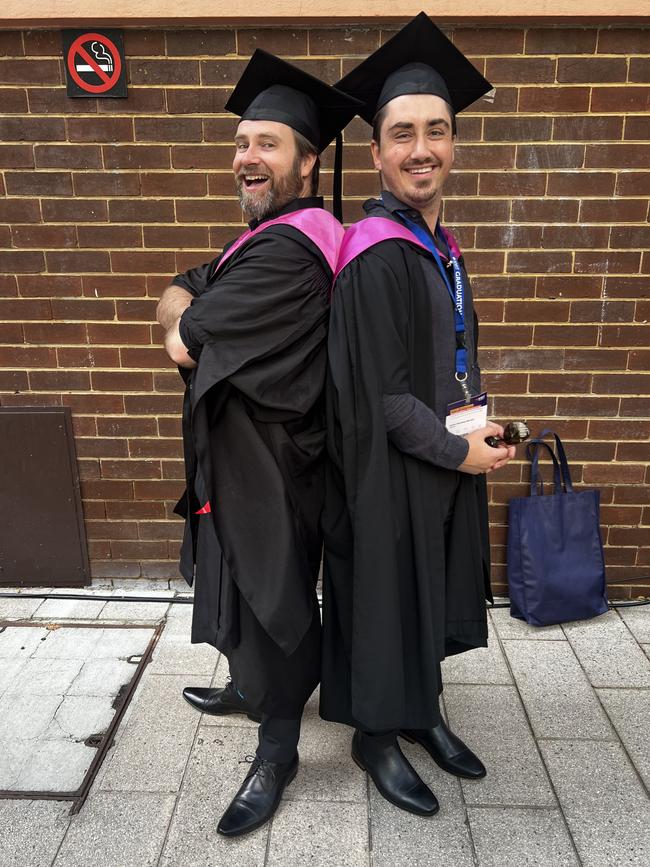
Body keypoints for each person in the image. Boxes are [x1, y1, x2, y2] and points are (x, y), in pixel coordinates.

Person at [156, 50, 360, 837]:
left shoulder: (292, 249)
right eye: (242, 142)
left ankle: (279, 748)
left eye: (268, 143)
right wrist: (183, 298)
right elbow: (188, 280)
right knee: (239, 581)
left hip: (276, 466)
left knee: (274, 598)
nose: (247, 157)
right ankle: (250, 690)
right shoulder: (265, 237)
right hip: (242, 457)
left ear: (308, 162)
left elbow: (186, 334)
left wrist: (182, 309)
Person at [320, 13, 517, 817]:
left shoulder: (442, 243)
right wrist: (455, 450)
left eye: (438, 130)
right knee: (383, 597)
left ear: (455, 142)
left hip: (439, 453)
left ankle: (423, 710)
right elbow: (383, 395)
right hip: (386, 468)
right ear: (376, 152)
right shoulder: (375, 252)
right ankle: (375, 733)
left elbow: (450, 356)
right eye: (403, 133)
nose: (422, 148)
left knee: (427, 593)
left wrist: (479, 422)